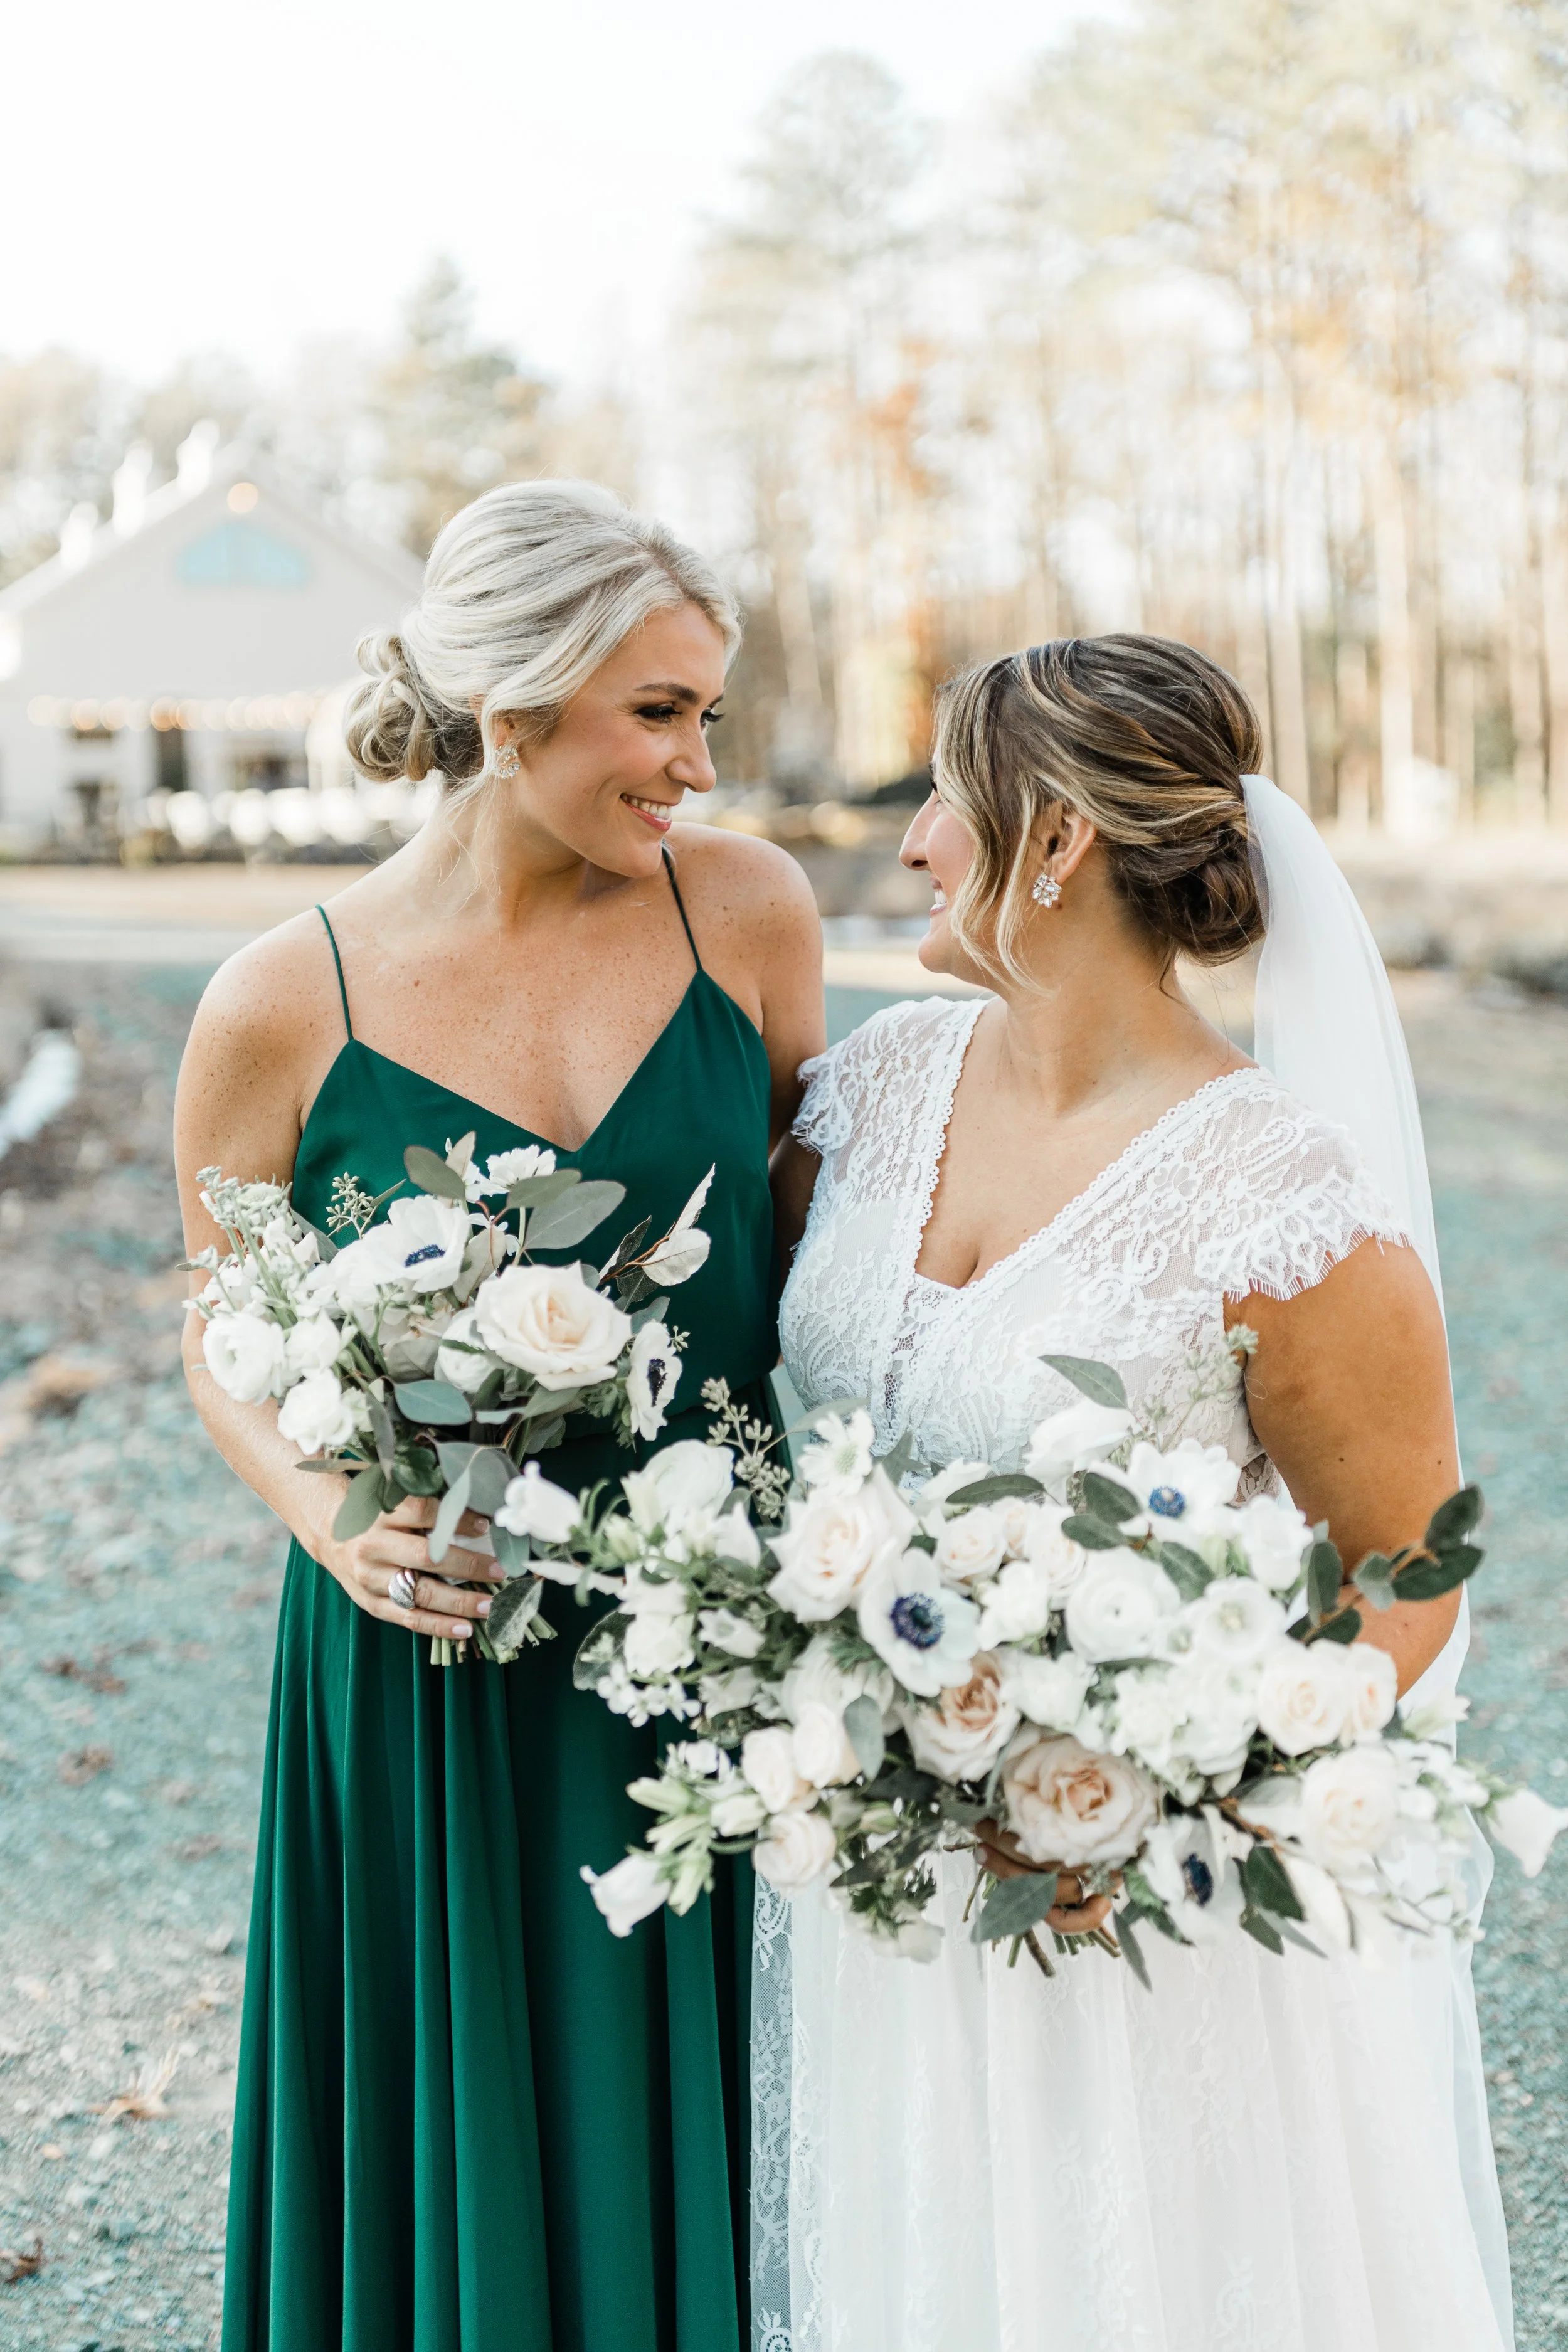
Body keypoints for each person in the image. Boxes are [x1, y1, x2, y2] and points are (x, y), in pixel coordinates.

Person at [765, 635, 1512, 2351]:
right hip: (878, 1867)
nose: (911, 849)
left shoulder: (1279, 1198)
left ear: (1051, 844)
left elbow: (1404, 1568)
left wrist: (1171, 1769)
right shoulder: (871, 1090)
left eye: (944, 806)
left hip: (1123, 1894)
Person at [174, 479, 824, 2352]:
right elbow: (212, 1307)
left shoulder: (751, 917)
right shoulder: (284, 997)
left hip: (698, 1642)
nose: (695, 761)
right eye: (657, 712)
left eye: (705, 711)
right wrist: (319, 1508)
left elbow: (827, 1246)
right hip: (425, 1649)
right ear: (514, 704)